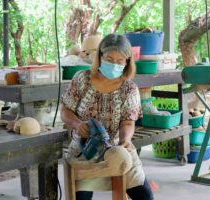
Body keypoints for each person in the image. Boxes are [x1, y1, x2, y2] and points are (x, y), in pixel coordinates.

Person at [61, 33, 154, 200]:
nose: (114, 64)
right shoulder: (82, 79)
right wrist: (77, 124)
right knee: (80, 197)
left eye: (120, 61)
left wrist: (125, 140)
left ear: (127, 63)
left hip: (117, 149)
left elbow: (128, 121)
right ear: (100, 56)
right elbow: (65, 111)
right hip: (85, 151)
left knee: (145, 196)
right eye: (110, 59)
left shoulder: (129, 88)